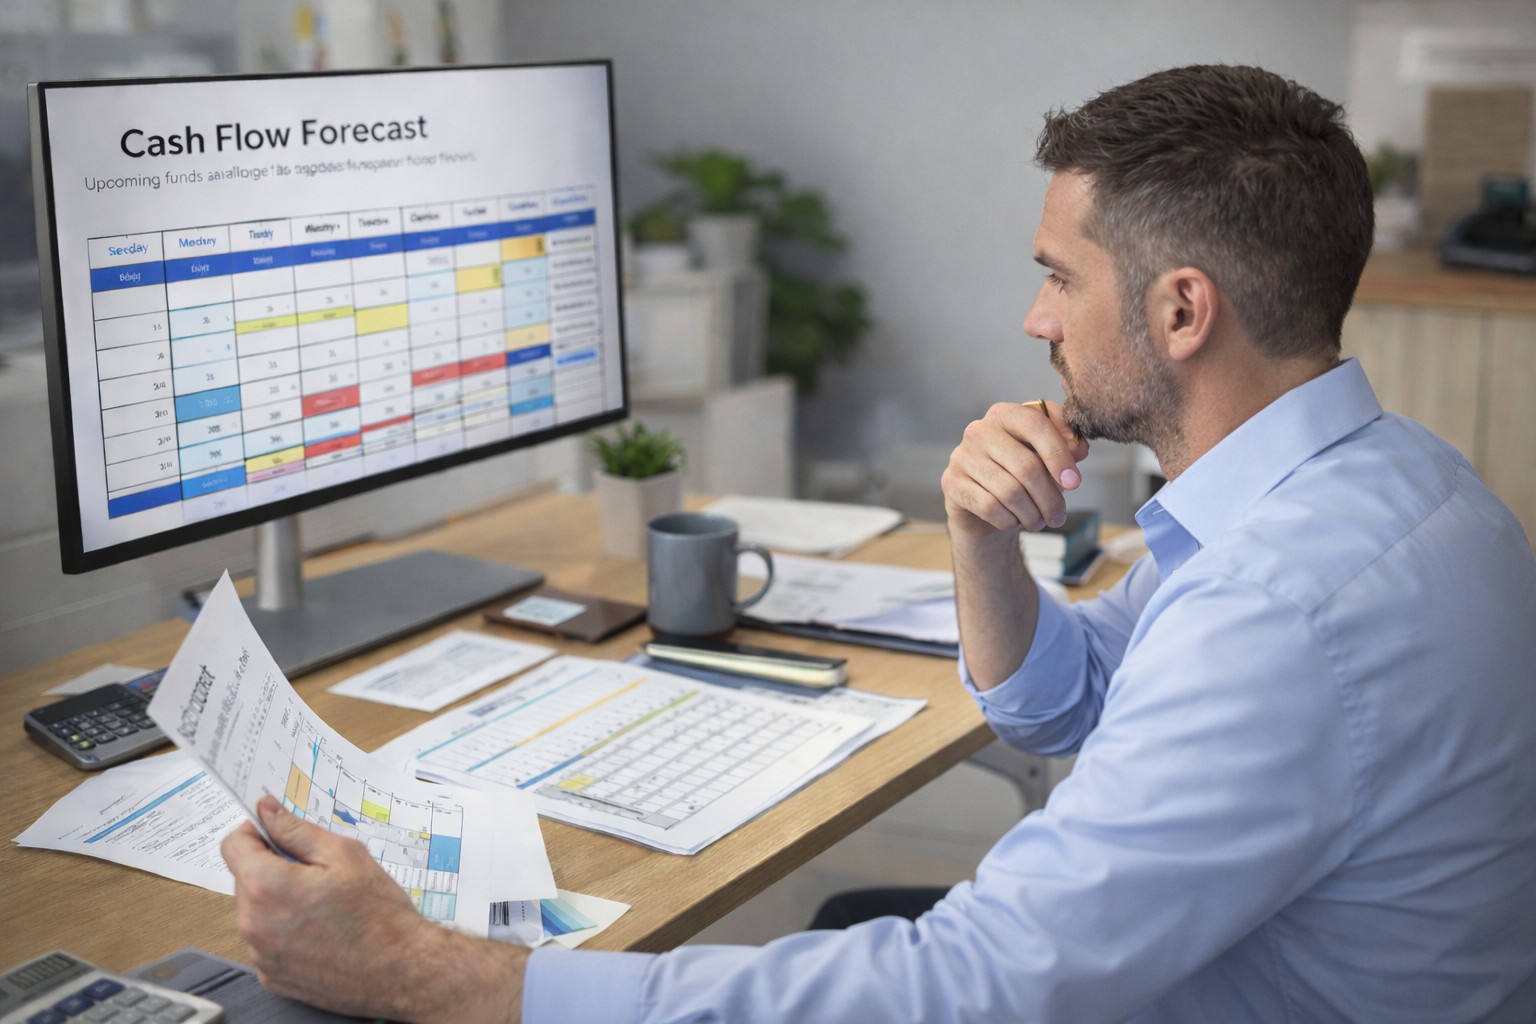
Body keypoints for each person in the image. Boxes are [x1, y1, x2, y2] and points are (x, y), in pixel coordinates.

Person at [222, 64, 1536, 1023]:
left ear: (1182, 311)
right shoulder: (1395, 482)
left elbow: (967, 990)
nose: (1036, 319)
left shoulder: (1276, 607)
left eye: (1059, 276)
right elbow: (1064, 702)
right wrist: (980, 540)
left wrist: (438, 975)